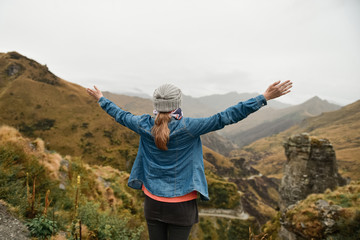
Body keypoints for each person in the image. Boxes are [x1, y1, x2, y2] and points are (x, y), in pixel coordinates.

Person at [86, 80, 292, 240]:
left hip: (152, 202)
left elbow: (120, 115)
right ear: (177, 104)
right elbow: (226, 116)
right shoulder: (189, 127)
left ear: (156, 104)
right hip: (181, 206)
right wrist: (264, 97)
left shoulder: (142, 124)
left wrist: (101, 98)